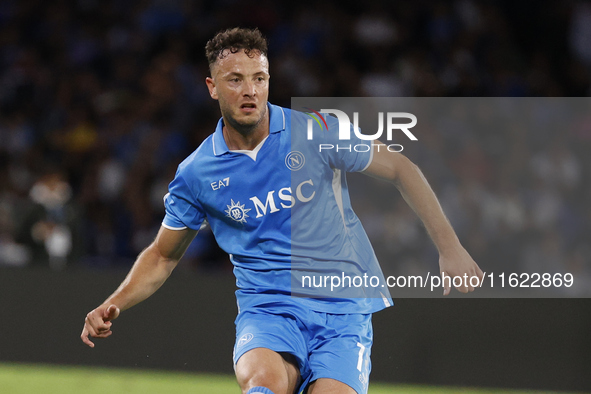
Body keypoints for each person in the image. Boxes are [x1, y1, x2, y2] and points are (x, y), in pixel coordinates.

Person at [81, 27, 483, 394]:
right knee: (264, 387)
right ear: (212, 87)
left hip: (342, 311)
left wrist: (450, 249)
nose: (249, 90)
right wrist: (113, 302)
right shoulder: (197, 172)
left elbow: (401, 168)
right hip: (268, 310)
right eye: (235, 80)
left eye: (259, 78)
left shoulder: (316, 131)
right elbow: (163, 254)